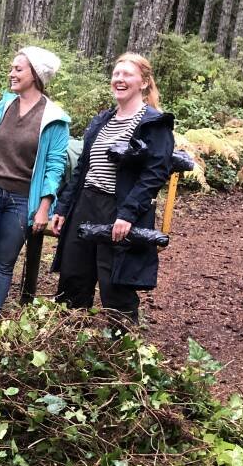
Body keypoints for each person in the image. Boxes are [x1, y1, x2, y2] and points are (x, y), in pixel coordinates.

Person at [51, 52, 174, 323]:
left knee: (115, 285)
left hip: (119, 209)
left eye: (127, 74)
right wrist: (63, 207)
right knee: (73, 278)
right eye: (116, 74)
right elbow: (83, 168)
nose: (119, 79)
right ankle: (68, 344)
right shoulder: (101, 121)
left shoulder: (154, 124)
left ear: (143, 82)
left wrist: (127, 214)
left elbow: (154, 175)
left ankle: (122, 351)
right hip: (85, 205)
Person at [0, 47, 69, 322]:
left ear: (36, 74)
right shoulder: (2, 106)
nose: (11, 74)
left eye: (18, 69)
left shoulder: (54, 118)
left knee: (5, 264)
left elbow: (54, 169)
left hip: (22, 199)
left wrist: (44, 208)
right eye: (12, 68)